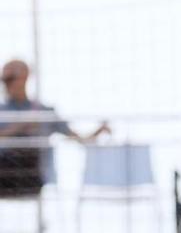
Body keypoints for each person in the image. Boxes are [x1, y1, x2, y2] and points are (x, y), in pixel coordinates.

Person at [0, 58, 108, 197]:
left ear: (25, 77)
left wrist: (98, 131)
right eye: (4, 80)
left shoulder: (43, 112)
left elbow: (80, 139)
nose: (6, 85)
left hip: (32, 177)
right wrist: (19, 127)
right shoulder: (2, 112)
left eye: (10, 79)